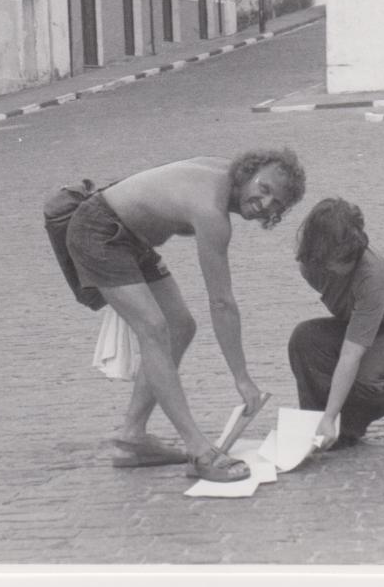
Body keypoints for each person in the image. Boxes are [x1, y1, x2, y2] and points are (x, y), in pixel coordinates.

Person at [58, 150, 306, 482]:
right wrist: (241, 377)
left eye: (276, 203)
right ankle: (200, 451)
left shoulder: (224, 181)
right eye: (263, 189)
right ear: (248, 173)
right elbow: (221, 302)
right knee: (154, 329)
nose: (264, 203)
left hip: (130, 237)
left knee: (180, 326)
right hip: (99, 230)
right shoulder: (212, 210)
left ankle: (132, 435)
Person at [287, 198, 384, 451]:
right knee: (305, 338)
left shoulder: (372, 276)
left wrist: (331, 417)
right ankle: (314, 423)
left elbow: (350, 355)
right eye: (339, 258)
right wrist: (322, 415)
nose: (347, 264)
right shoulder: (310, 267)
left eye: (350, 257)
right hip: (370, 327)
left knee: (360, 377)